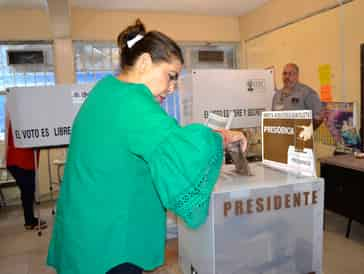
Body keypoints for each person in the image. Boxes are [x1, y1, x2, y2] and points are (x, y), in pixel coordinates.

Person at [47, 19, 246, 274]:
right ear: (144, 63)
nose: (173, 88)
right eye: (171, 76)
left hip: (87, 229)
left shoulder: (107, 90)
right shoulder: (133, 102)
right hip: (111, 240)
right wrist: (225, 137)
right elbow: (180, 148)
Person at [5, 117, 47, 230]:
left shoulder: (22, 119)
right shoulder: (23, 120)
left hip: (24, 161)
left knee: (28, 192)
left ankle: (30, 221)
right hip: (20, 161)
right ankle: (30, 221)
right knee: (28, 191)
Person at [272, 63, 322, 129]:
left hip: (301, 137)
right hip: (281, 137)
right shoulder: (277, 95)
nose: (287, 76)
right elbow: (272, 119)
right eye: (284, 73)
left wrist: (306, 131)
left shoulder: (307, 93)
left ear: (297, 76)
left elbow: (319, 118)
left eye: (290, 74)